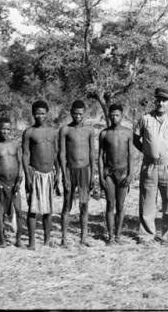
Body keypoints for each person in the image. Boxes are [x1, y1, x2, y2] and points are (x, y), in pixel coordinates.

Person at [133, 87, 168, 245]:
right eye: (158, 100)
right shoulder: (145, 119)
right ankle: (146, 235)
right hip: (149, 165)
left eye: (165, 101)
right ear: (155, 101)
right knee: (147, 201)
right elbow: (136, 138)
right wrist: (146, 151)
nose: (161, 103)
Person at [22, 100, 60, 250]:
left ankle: (47, 240)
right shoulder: (29, 132)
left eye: (43, 113)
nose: (40, 116)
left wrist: (58, 172)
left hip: (49, 174)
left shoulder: (52, 131)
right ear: (33, 114)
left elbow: (56, 153)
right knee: (33, 209)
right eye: (37, 113)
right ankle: (32, 242)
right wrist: (27, 175)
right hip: (35, 174)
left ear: (47, 114)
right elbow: (25, 155)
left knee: (48, 209)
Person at [59, 100, 95, 247]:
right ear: (71, 113)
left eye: (80, 114)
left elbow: (92, 153)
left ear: (84, 114)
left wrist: (92, 175)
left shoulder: (89, 130)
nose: (77, 116)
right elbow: (61, 154)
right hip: (70, 170)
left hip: (84, 170)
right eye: (75, 113)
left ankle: (83, 237)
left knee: (84, 205)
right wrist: (64, 175)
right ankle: (63, 238)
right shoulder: (65, 130)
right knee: (67, 204)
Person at [0, 117, 24, 248]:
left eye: (7, 129)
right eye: (2, 129)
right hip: (0, 183)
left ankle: (18, 240)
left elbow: (20, 163)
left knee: (18, 211)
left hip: (14, 183)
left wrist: (19, 179)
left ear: (11, 130)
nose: (5, 132)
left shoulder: (15, 144)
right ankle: (2, 241)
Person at [98, 104, 133, 245]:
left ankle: (118, 236)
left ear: (122, 116)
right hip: (109, 173)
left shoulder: (128, 133)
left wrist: (131, 174)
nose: (114, 117)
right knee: (110, 204)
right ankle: (110, 236)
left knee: (120, 204)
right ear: (108, 116)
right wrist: (101, 176)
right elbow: (100, 156)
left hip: (123, 172)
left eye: (117, 115)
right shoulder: (104, 134)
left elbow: (131, 154)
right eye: (112, 115)